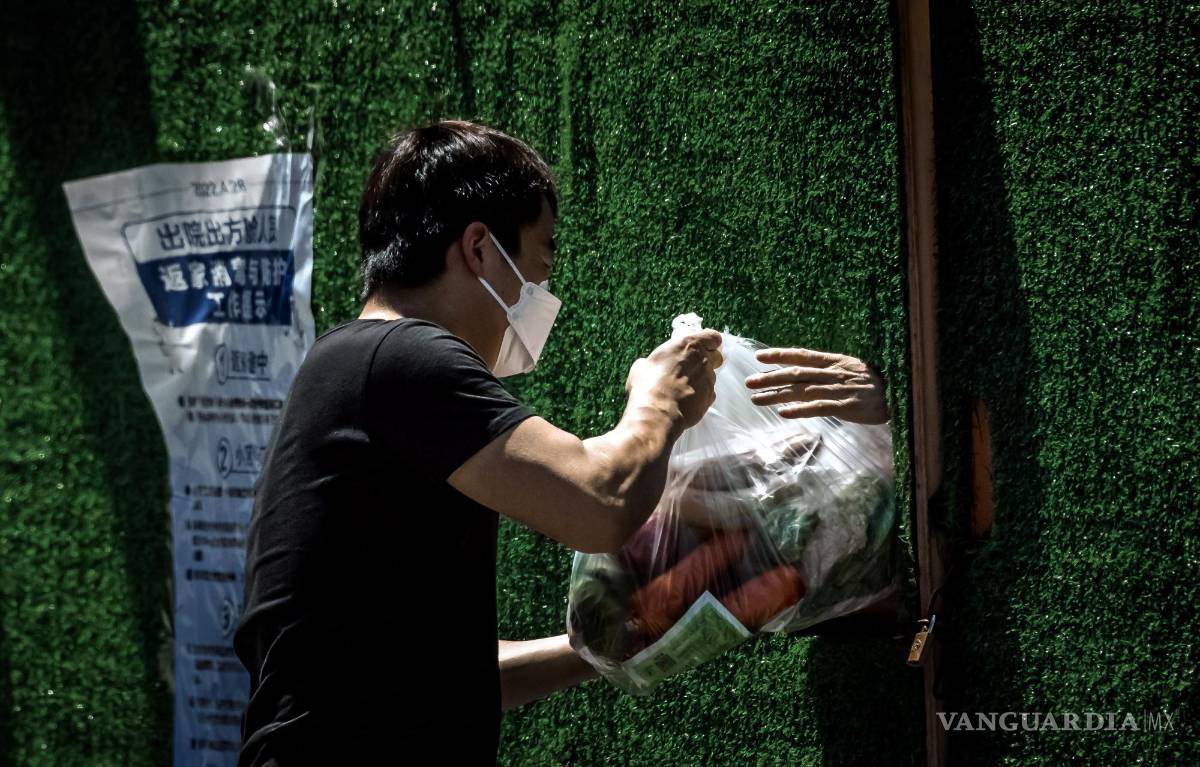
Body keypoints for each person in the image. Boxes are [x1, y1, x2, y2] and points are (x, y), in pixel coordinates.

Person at [233, 118, 889, 766]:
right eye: (538, 269)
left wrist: (605, 641)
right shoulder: (401, 355)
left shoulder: (356, 372)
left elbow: (435, 680)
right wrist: (659, 397)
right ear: (480, 249)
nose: (540, 298)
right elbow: (600, 500)